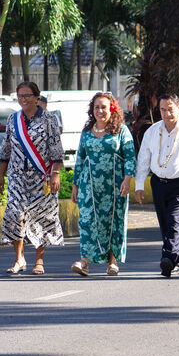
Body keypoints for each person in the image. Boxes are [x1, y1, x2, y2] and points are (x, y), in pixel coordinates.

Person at [135, 92, 179, 278]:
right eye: (163, 110)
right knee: (165, 224)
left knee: (174, 222)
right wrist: (139, 185)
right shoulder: (152, 131)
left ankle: (167, 258)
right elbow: (143, 159)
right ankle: (178, 262)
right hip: (158, 183)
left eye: (170, 109)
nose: (167, 114)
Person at [0, 80, 64, 275]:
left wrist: (56, 174)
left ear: (36, 97)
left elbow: (56, 150)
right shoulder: (13, 119)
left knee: (41, 216)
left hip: (41, 177)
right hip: (17, 176)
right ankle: (19, 258)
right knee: (14, 214)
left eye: (27, 96)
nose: (23, 99)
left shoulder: (49, 119)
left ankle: (39, 260)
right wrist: (1, 176)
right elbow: (6, 149)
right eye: (20, 96)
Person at [69, 92, 136, 277]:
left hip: (114, 185)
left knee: (113, 221)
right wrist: (75, 185)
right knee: (87, 221)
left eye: (104, 107)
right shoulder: (86, 131)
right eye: (96, 107)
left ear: (112, 109)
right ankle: (84, 262)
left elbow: (130, 157)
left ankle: (112, 262)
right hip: (88, 186)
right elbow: (80, 158)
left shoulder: (121, 130)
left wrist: (127, 180)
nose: (100, 111)